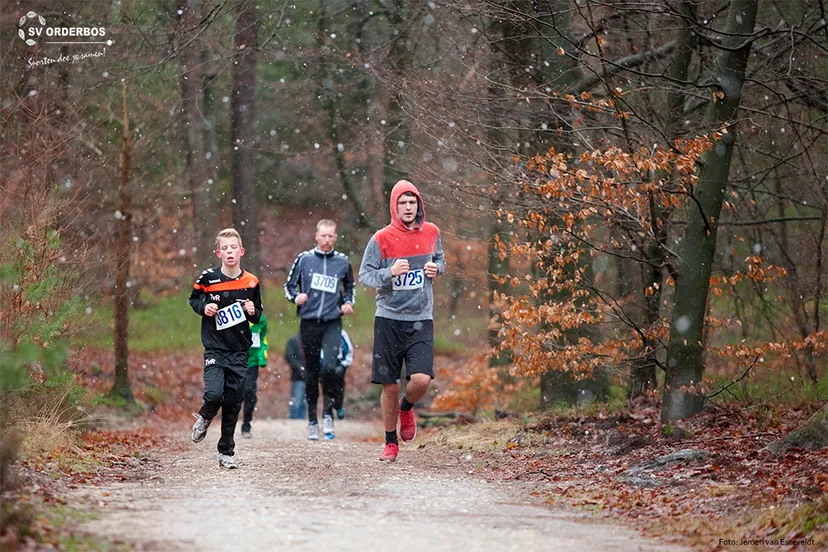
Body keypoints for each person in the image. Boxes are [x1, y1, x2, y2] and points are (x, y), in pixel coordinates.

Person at [358, 180, 445, 462]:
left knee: (421, 380)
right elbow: (364, 276)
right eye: (402, 203)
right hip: (389, 319)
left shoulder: (432, 232)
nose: (408, 208)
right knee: (390, 384)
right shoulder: (380, 238)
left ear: (419, 205)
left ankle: (406, 407)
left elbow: (441, 260)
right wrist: (390, 273)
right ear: (394, 207)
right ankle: (390, 442)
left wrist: (436, 268)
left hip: (421, 318)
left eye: (412, 202)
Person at [189, 228, 263, 469]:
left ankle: (226, 452)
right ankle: (204, 417)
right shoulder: (207, 278)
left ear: (241, 251)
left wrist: (252, 311)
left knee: (233, 403)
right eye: (225, 248)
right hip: (215, 348)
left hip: (239, 351)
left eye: (233, 248)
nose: (229, 252)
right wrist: (204, 308)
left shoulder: (251, 281)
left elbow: (257, 314)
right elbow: (194, 299)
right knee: (214, 394)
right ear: (218, 253)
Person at [285, 219, 355, 441]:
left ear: (335, 238)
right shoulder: (304, 259)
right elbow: (289, 286)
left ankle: (327, 415)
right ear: (316, 236)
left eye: (330, 236)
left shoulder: (342, 262)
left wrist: (348, 302)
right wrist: (296, 297)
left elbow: (350, 286)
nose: (326, 240)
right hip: (309, 322)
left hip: (332, 322)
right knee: (311, 372)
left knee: (331, 368)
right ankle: (312, 420)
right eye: (323, 235)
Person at [241, 313, 268, 438]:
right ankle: (229, 424)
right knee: (235, 392)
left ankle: (246, 424)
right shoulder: (236, 316)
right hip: (236, 361)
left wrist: (262, 356)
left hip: (252, 362)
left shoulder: (261, 320)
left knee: (249, 391)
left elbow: (263, 339)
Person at [321, 328, 354, 420]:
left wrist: (343, 365)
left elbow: (349, 350)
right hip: (324, 365)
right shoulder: (319, 332)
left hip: (339, 364)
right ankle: (327, 413)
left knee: (338, 388)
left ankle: (339, 406)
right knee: (326, 388)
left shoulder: (342, 333)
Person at [285, 333, 307, 419]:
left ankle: (301, 420)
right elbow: (289, 356)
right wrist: (299, 367)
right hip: (298, 376)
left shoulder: (312, 340)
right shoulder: (294, 341)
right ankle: (295, 420)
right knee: (297, 400)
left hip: (309, 376)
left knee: (305, 402)